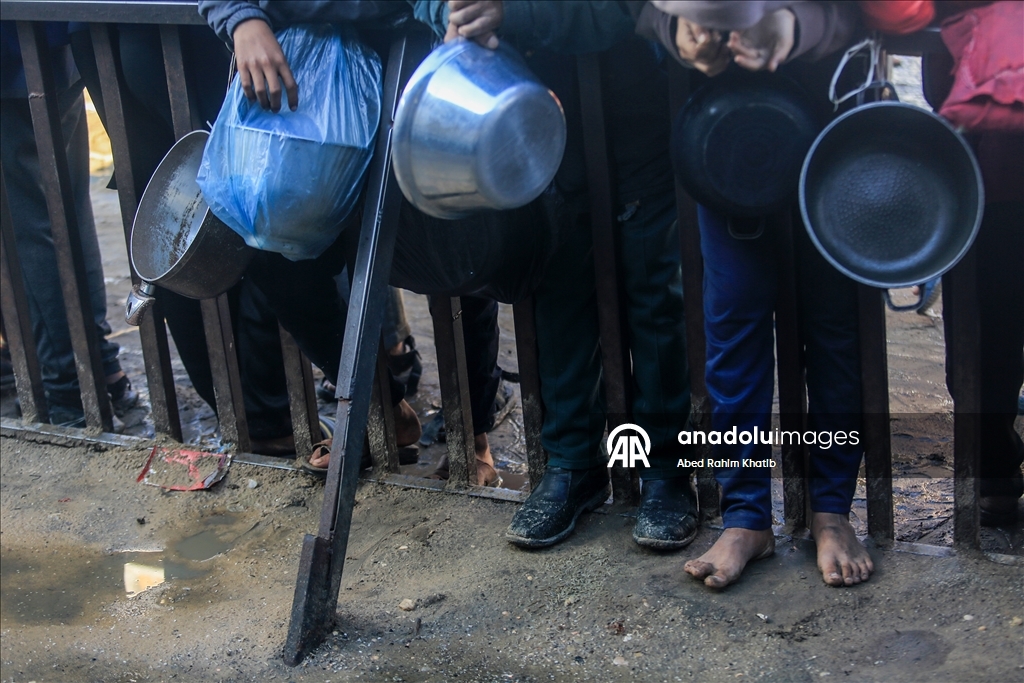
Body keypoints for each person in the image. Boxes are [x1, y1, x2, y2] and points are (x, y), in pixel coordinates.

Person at [419, 0, 699, 549]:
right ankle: (574, 463)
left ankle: (664, 469)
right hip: (523, 115)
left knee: (654, 296)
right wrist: (449, 8)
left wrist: (512, 11)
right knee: (558, 295)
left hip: (641, 103)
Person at [638, 1, 874, 588]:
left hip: (833, 125)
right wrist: (676, 30)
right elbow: (635, 9)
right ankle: (746, 517)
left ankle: (831, 510)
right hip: (726, 139)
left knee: (834, 326)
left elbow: (878, 11)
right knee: (733, 324)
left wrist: (797, 26)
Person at [0, 22, 137, 428]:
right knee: (64, 214)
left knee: (33, 224)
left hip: (16, 54)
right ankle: (95, 367)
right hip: (46, 43)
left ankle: (68, 391)